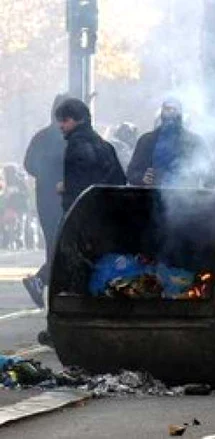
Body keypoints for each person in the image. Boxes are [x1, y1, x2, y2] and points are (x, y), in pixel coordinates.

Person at [22, 94, 69, 308]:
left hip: (45, 199)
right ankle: (43, 282)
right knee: (62, 246)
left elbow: (29, 164)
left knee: (54, 244)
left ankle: (43, 282)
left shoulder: (41, 136)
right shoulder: (68, 137)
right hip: (63, 198)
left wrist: (44, 175)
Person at [127, 98, 215, 188]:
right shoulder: (146, 141)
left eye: (175, 109)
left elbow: (211, 176)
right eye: (167, 109)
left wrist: (195, 174)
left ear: (181, 114)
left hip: (185, 197)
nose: (171, 113)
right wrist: (142, 178)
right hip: (150, 197)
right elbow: (131, 173)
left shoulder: (195, 142)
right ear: (161, 113)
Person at [57, 99, 126, 212]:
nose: (61, 125)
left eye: (65, 120)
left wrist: (66, 188)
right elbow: (120, 181)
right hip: (109, 213)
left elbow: (80, 188)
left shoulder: (75, 146)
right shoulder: (106, 146)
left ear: (80, 120)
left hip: (83, 215)